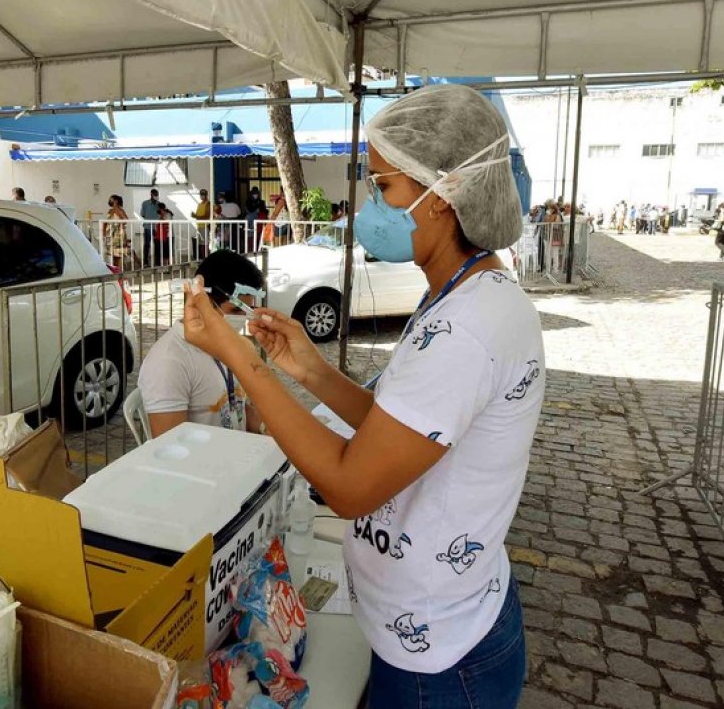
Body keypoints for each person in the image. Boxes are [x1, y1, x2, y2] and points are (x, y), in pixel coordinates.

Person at [179, 84, 537, 707]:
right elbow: (401, 431)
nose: (369, 206)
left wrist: (239, 358)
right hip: (431, 623)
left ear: (443, 194)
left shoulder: (469, 328)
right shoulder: (463, 292)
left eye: (385, 187)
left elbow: (349, 486)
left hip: (440, 658)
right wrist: (311, 371)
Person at [138, 250, 265, 437]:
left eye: (247, 311)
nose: (243, 319)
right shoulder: (168, 362)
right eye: (235, 310)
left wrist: (268, 429)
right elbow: (170, 447)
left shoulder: (226, 344)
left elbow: (236, 407)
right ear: (203, 302)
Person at [104, 194, 132, 271]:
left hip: (118, 235)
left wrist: (118, 224)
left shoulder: (120, 210)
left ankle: (120, 273)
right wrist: (104, 234)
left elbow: (126, 220)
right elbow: (105, 223)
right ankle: (115, 271)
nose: (110, 200)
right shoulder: (110, 211)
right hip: (110, 236)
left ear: (116, 201)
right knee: (113, 255)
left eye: (111, 199)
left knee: (119, 255)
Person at [141, 188, 161, 266]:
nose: (156, 196)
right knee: (147, 244)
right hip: (148, 227)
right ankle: (145, 262)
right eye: (155, 195)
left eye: (157, 195)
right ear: (151, 194)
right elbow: (142, 214)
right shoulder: (145, 203)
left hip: (156, 228)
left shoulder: (159, 204)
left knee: (157, 244)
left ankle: (157, 262)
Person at [191, 188, 212, 259]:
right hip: (199, 227)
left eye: (203, 194)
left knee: (205, 245)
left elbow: (206, 216)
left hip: (204, 226)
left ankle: (206, 260)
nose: (202, 196)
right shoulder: (200, 204)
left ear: (206, 195)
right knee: (201, 245)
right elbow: (198, 215)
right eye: (201, 194)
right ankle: (203, 260)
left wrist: (195, 216)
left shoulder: (208, 203)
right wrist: (195, 215)